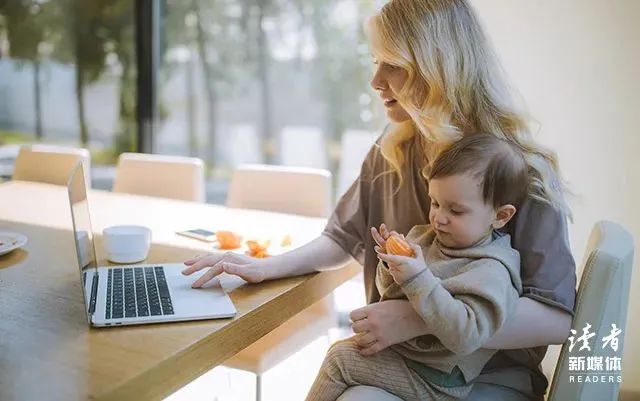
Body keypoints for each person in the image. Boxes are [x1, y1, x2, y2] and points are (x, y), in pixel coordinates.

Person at [181, 0, 576, 399]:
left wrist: (419, 317)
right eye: (375, 61)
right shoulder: (391, 151)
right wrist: (267, 267)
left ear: (438, 68)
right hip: (401, 358)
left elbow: (556, 319)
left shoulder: (521, 171)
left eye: (393, 64)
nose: (375, 81)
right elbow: (342, 238)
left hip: (487, 378)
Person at [305, 134, 527, 401]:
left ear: (500, 216)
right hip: (406, 357)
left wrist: (418, 277)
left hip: (437, 379)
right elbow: (389, 293)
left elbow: (467, 336)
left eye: (456, 211)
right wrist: (390, 264)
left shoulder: (492, 270)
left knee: (339, 360)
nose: (438, 218)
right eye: (435, 203)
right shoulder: (426, 238)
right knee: (343, 351)